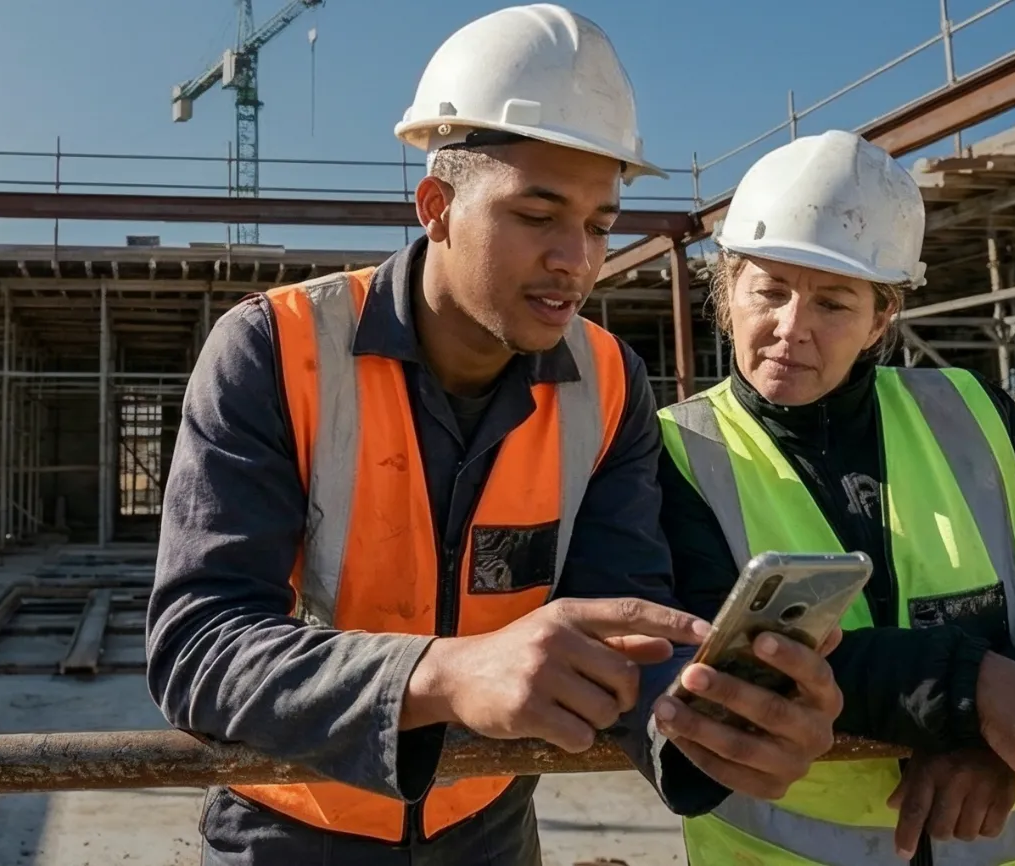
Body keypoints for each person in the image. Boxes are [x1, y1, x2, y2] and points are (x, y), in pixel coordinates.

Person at [146, 6, 844, 865]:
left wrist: (705, 716)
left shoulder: (610, 380)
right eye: (536, 214)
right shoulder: (275, 349)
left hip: (490, 831)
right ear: (436, 206)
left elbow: (623, 615)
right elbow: (199, 645)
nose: (577, 261)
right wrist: (442, 674)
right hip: (290, 831)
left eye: (597, 223)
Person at [655, 129, 1015, 865]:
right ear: (727, 294)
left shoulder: (972, 417)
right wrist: (982, 693)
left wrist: (1001, 734)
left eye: (834, 303)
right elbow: (725, 666)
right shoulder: (677, 451)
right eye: (769, 291)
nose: (791, 329)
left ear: (881, 319)